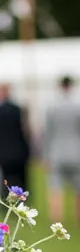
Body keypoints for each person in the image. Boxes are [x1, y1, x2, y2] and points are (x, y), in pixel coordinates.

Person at [0, 84, 31, 195]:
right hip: (17, 150)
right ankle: (21, 197)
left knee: (5, 179)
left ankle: (5, 197)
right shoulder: (16, 109)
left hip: (2, 151)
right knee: (19, 177)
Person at [44, 76, 80, 222]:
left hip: (56, 151)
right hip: (76, 151)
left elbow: (48, 133)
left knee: (55, 187)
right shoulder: (77, 106)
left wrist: (45, 155)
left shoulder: (52, 107)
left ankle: (57, 219)